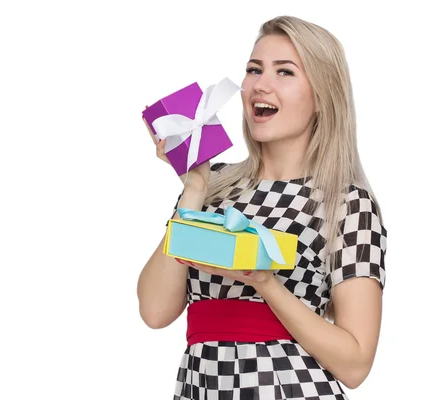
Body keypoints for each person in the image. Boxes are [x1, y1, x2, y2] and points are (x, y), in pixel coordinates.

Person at [137, 15, 387, 400]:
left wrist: (265, 282)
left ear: (322, 95)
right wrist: (194, 190)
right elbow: (155, 311)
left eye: (284, 72)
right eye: (254, 69)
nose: (260, 85)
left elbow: (355, 364)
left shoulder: (348, 204)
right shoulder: (213, 187)